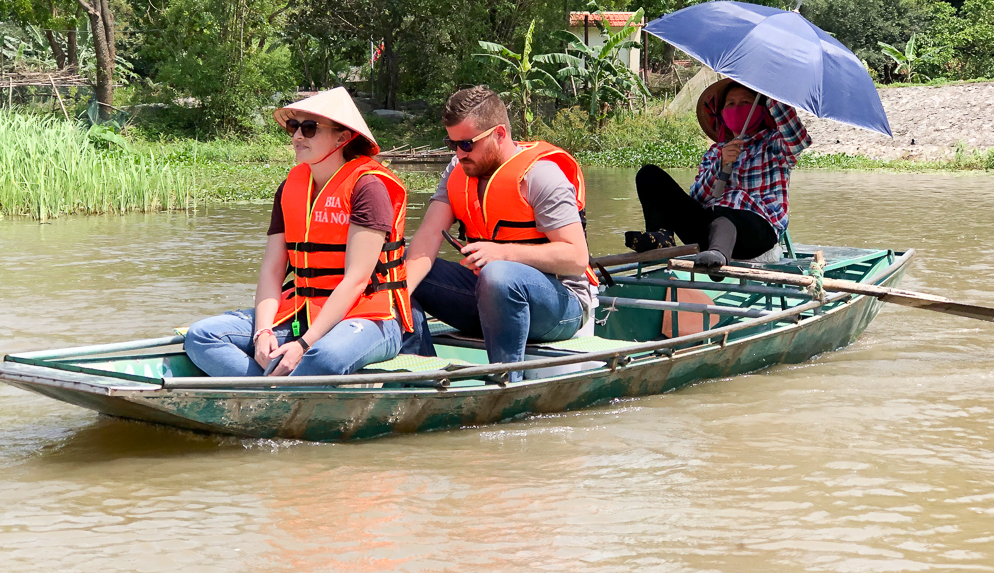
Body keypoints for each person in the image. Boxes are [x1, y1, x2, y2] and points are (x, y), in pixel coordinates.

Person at [184, 87, 410, 377]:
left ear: (343, 137)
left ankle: (267, 394)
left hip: (370, 317)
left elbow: (356, 280)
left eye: (309, 128)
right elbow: (272, 269)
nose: (296, 137)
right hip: (300, 311)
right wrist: (262, 332)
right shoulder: (290, 187)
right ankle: (269, 396)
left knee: (324, 357)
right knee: (202, 336)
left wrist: (303, 344)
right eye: (294, 127)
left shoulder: (368, 188)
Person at [401, 86, 598, 381]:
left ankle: (504, 382)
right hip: (488, 296)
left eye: (467, 144)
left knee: (499, 274)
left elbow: (575, 258)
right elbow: (427, 239)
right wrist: (398, 295)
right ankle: (428, 377)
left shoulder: (541, 176)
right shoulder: (458, 170)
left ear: (499, 135)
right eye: (451, 143)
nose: (458, 153)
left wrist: (503, 253)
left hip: (561, 306)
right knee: (398, 269)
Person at [628, 78, 811, 269]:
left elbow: (798, 139)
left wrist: (771, 89)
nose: (737, 108)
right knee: (649, 175)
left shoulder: (774, 145)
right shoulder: (715, 152)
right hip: (709, 227)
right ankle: (661, 236)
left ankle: (718, 256)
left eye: (745, 103)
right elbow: (697, 197)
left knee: (728, 208)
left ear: (759, 110)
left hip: (757, 232)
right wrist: (720, 164)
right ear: (722, 114)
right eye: (730, 104)